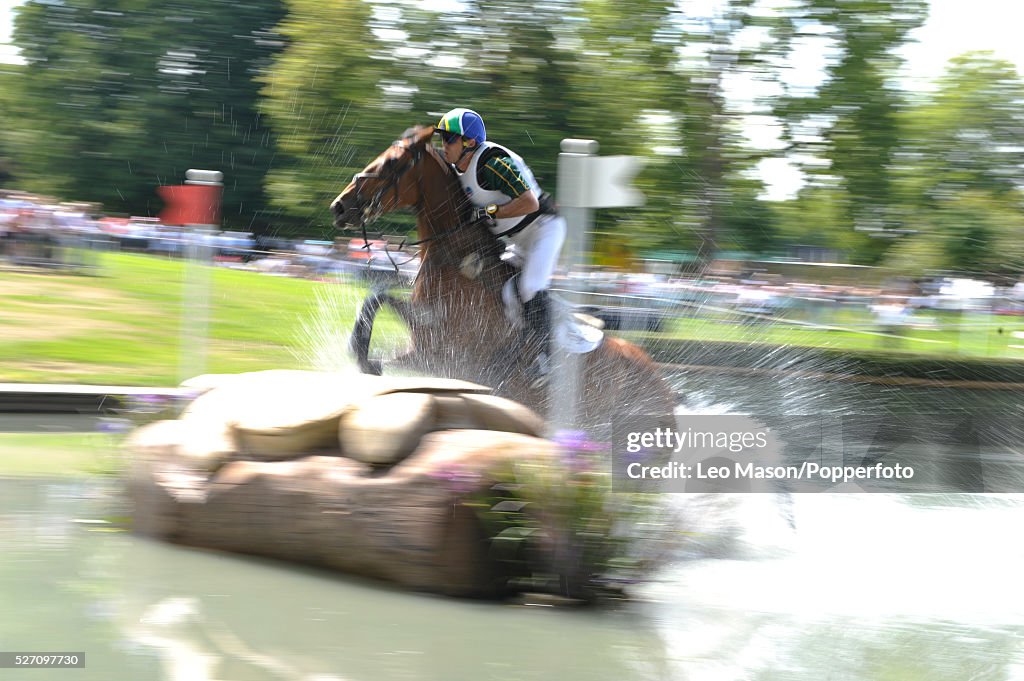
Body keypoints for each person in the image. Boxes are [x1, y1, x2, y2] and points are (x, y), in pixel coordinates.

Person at [435, 108, 566, 385]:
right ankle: (519, 349)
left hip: (544, 230)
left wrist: (487, 212)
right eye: (442, 139)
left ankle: (551, 360)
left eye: (448, 139)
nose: (443, 145)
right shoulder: (457, 167)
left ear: (469, 142)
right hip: (518, 240)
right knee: (505, 291)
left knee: (529, 287)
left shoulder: (493, 163)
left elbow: (529, 203)